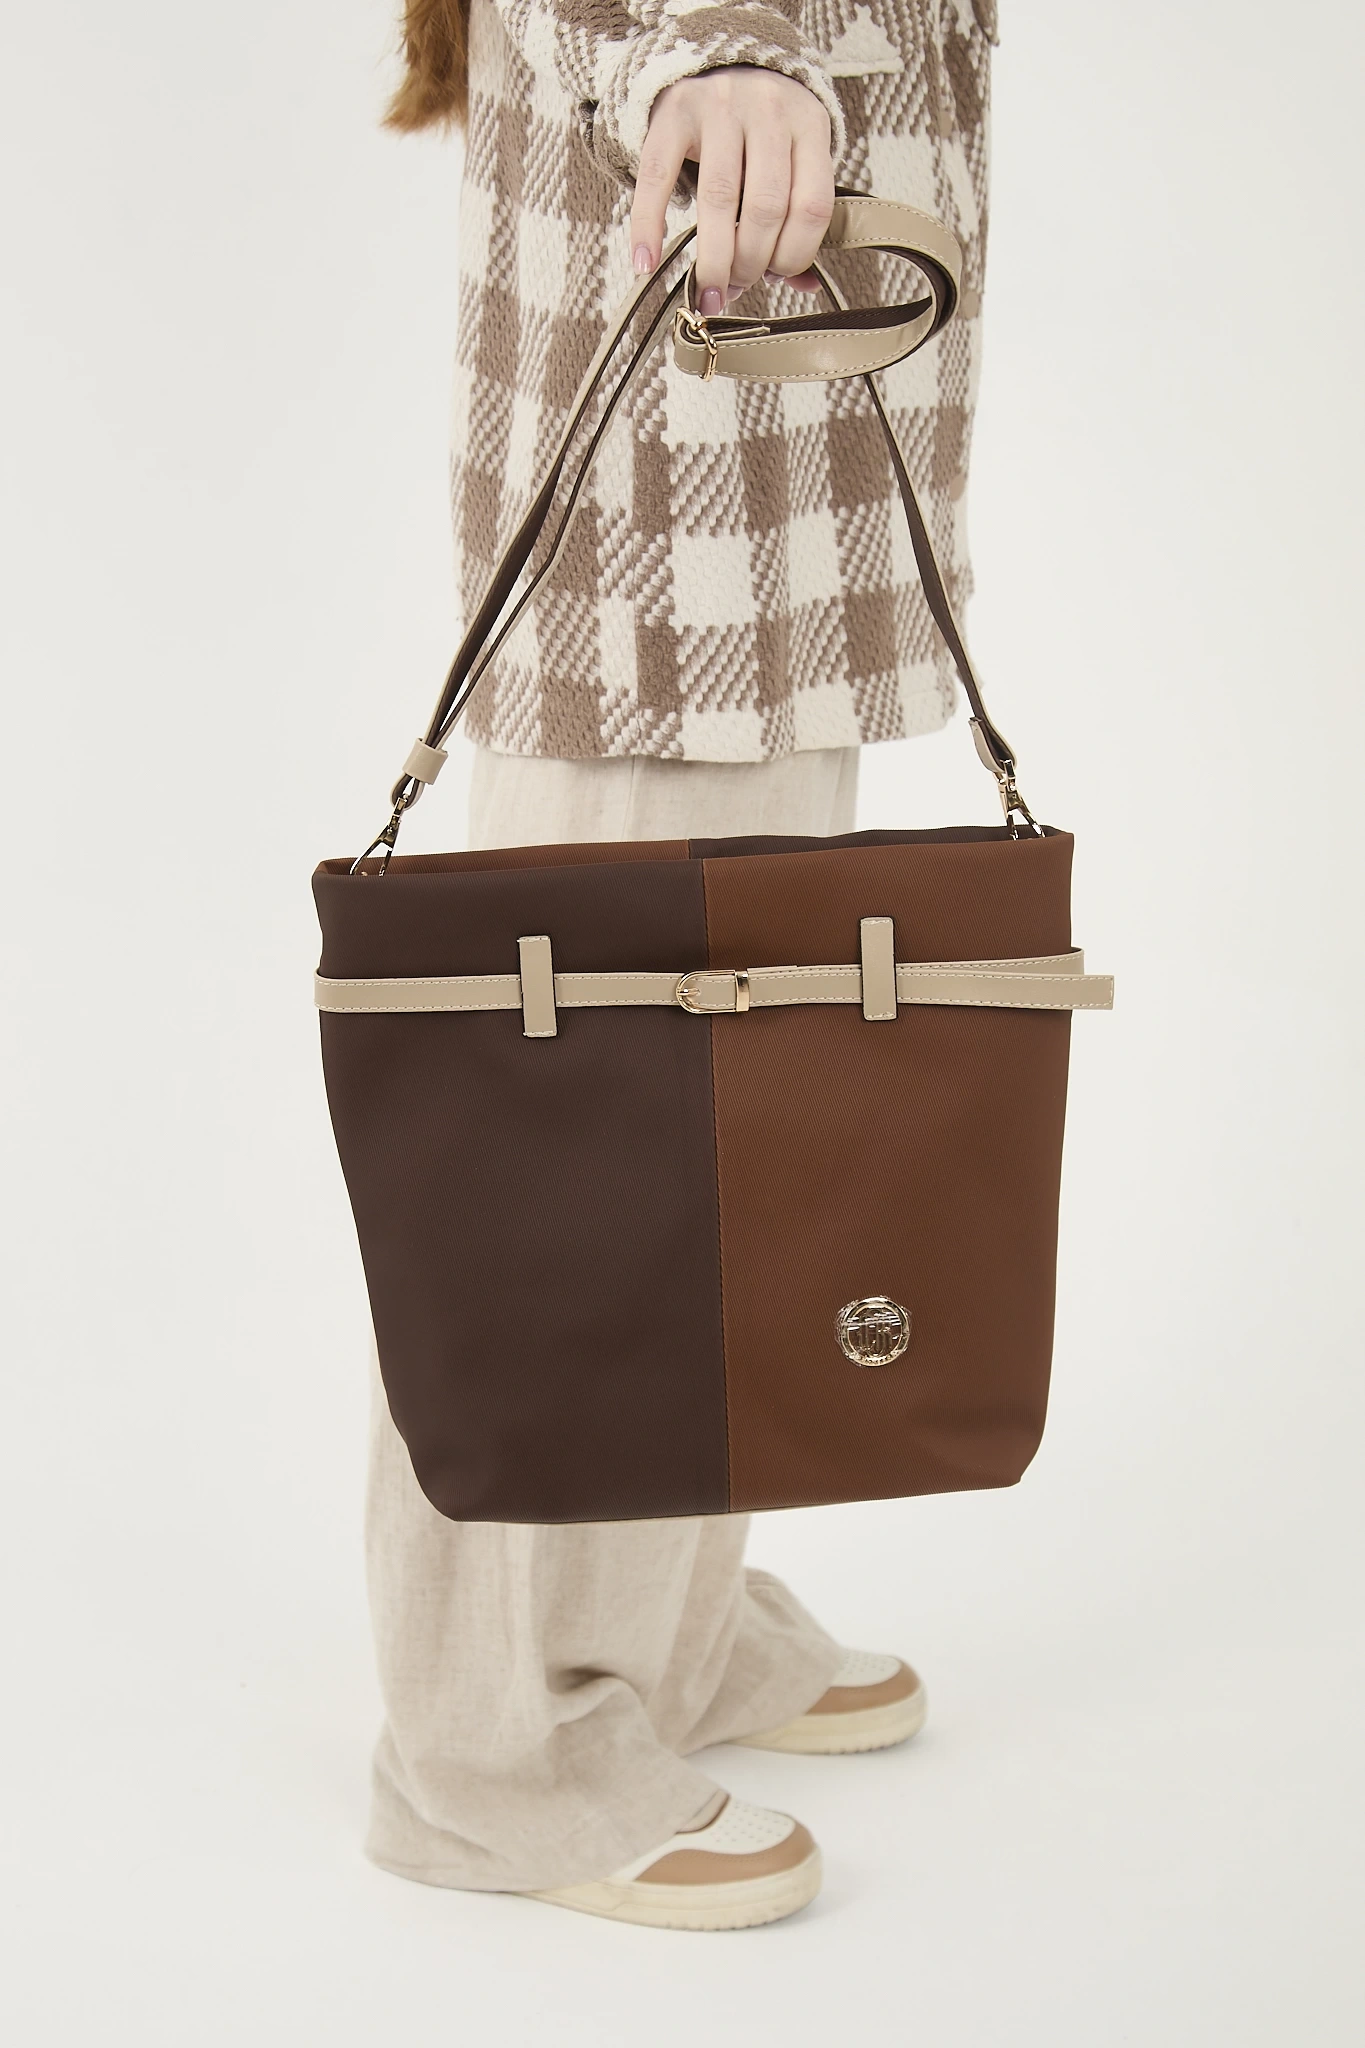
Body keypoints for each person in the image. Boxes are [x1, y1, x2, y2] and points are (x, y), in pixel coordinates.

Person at [365, 0, 998, 1930]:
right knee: (564, 1152)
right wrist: (712, 43)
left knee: (731, 1135)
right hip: (662, 478)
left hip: (796, 431)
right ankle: (485, 1748)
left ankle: (656, 1625)